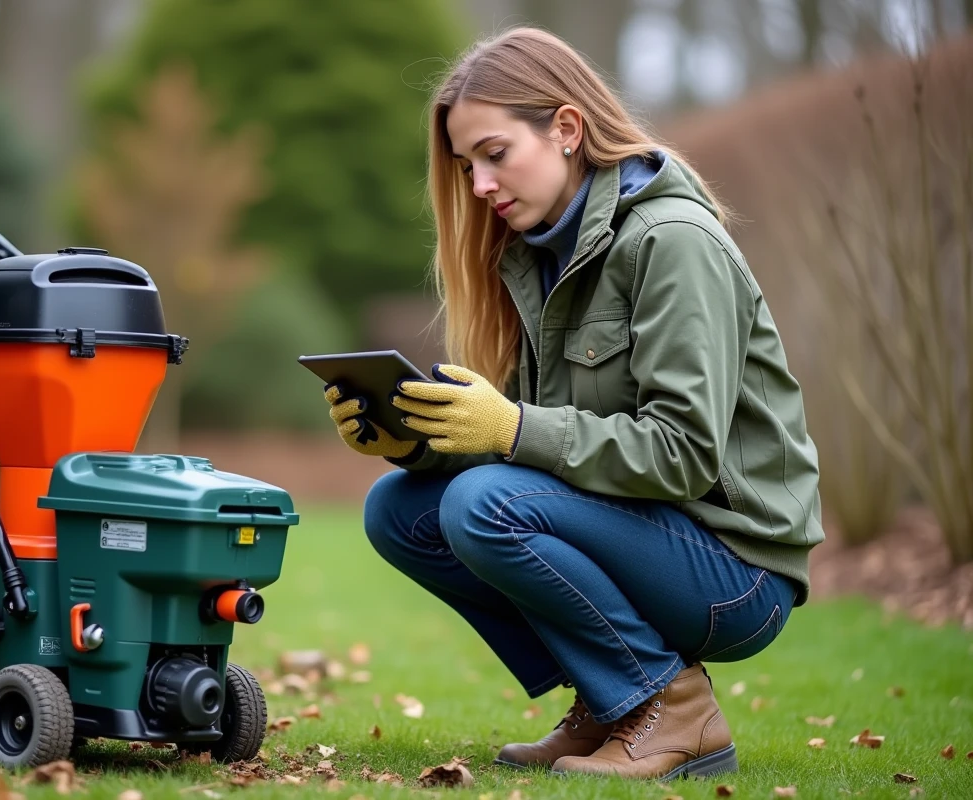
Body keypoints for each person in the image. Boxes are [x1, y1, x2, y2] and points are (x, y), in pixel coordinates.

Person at [321, 27, 824, 781]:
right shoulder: (540, 255)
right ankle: (612, 699)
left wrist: (511, 426)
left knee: (485, 505)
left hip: (735, 566)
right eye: (467, 166)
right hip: (643, 530)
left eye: (495, 154)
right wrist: (410, 440)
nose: (480, 184)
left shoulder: (671, 240)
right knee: (399, 510)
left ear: (565, 129)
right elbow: (539, 447)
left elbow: (682, 453)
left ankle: (671, 706)